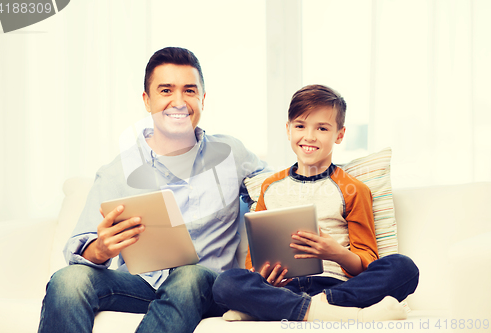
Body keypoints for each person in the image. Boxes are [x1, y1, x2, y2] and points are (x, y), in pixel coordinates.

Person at [37, 47, 266, 333]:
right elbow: (80, 252)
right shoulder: (117, 171)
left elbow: (275, 189)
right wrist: (101, 248)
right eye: (166, 90)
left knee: (188, 276)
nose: (179, 102)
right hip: (140, 285)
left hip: (208, 286)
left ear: (203, 99)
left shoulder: (232, 153)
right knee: (67, 280)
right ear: (147, 101)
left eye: (189, 91)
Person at [212, 84, 419, 322]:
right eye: (300, 126)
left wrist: (336, 253)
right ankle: (341, 315)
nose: (309, 136)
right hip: (283, 288)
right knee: (225, 283)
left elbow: (367, 263)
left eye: (322, 128)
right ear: (288, 129)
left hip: (336, 287)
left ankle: (295, 308)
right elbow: (254, 266)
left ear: (339, 135)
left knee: (403, 268)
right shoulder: (269, 187)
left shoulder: (354, 189)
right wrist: (267, 277)